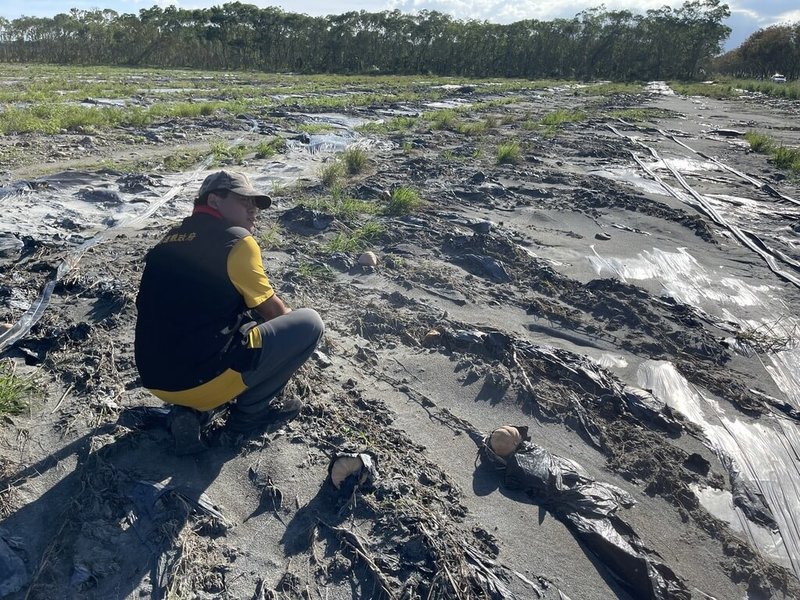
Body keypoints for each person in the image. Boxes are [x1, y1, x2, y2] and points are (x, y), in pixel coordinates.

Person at [134, 170, 324, 454]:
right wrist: (288, 350)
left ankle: (195, 413)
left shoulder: (168, 240)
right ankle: (247, 420)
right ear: (214, 200)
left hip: (154, 377)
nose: (253, 210)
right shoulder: (236, 242)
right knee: (309, 323)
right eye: (244, 201)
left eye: (256, 205)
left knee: (237, 321)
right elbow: (275, 313)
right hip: (199, 380)